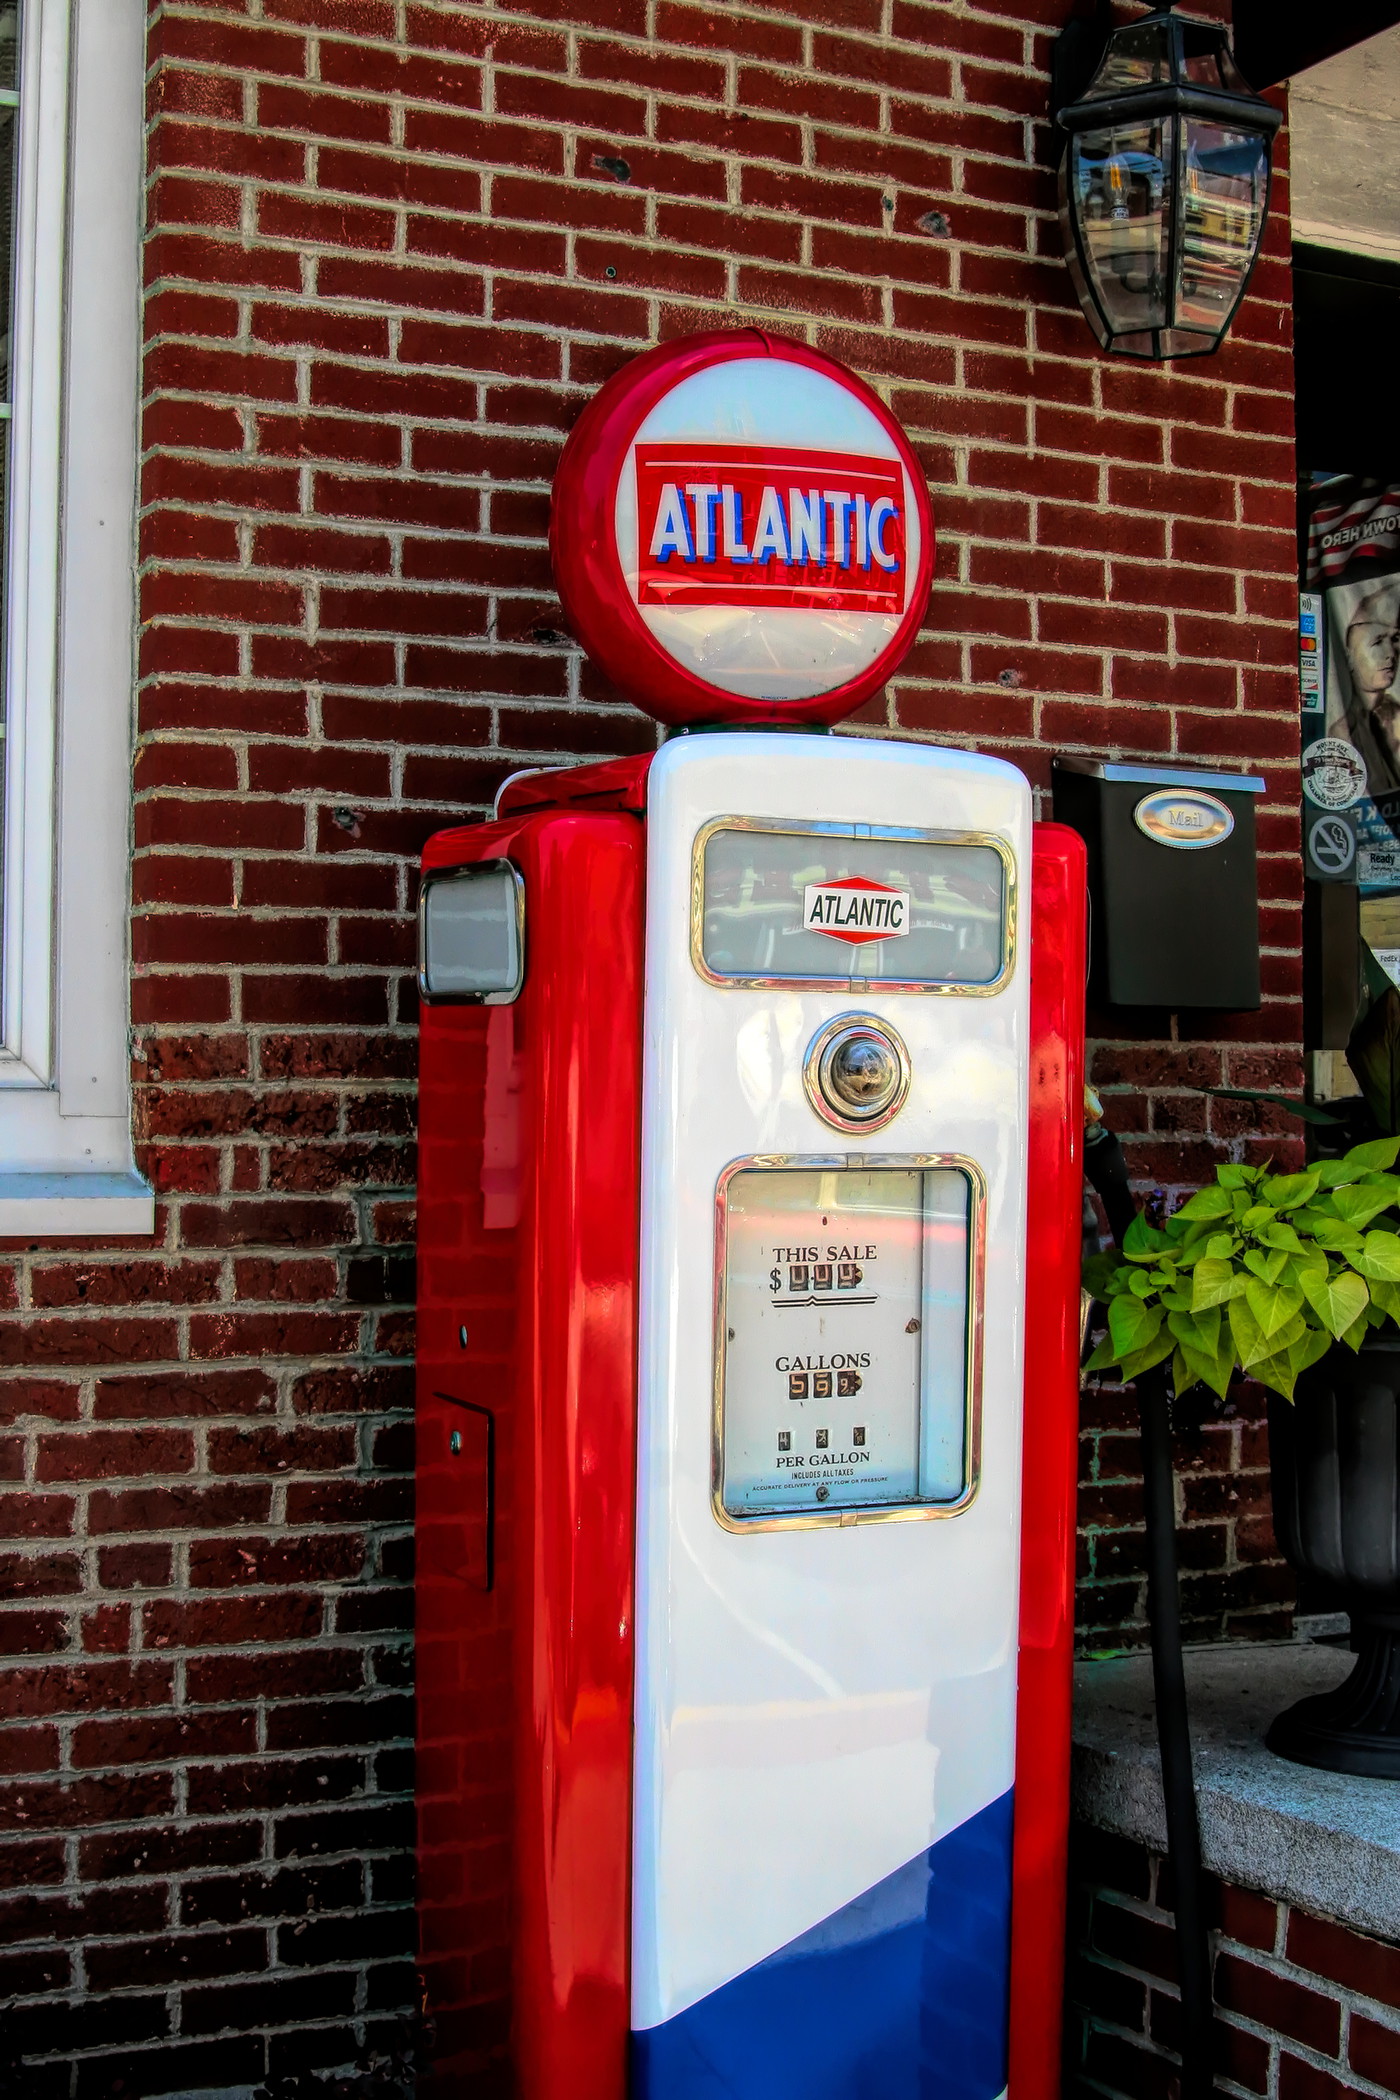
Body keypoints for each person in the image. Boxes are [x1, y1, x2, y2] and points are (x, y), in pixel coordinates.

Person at [1341, 586, 1400, 795]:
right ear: (1350, 656)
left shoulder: (1395, 718)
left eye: (1395, 639)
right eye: (1377, 642)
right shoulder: (1341, 731)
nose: (1390, 654)